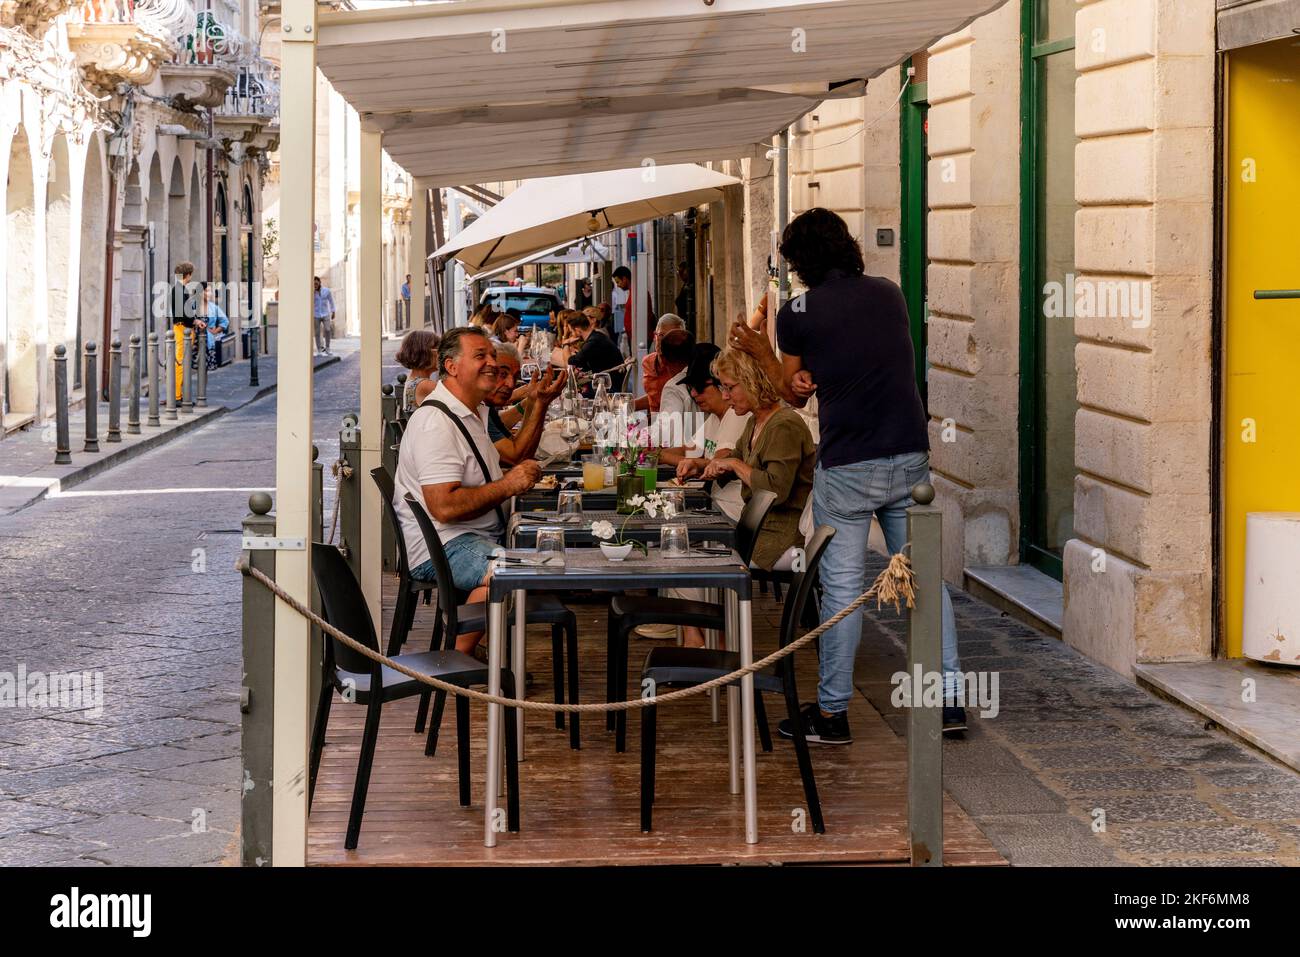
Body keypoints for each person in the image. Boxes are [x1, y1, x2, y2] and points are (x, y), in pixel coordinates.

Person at [728, 206, 965, 743]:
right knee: (926, 583)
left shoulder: (796, 312)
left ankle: (832, 715)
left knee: (841, 590)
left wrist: (762, 349)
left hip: (849, 462)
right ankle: (948, 703)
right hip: (908, 456)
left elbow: (792, 390)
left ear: (801, 262)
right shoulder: (889, 293)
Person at [392, 327, 541, 654]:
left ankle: (471, 647)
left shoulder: (473, 411)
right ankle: (454, 658)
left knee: (535, 559)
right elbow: (443, 507)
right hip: (445, 543)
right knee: (512, 571)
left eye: (491, 355)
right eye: (480, 356)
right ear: (451, 367)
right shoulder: (436, 422)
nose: (491, 363)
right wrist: (509, 484)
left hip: (469, 535)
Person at [671, 348, 812, 648]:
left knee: (683, 552)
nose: (725, 396)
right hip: (760, 530)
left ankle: (715, 642)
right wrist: (701, 465)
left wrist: (734, 465)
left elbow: (776, 490)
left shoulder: (784, 424)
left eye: (730, 387)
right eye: (722, 387)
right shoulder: (756, 422)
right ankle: (709, 637)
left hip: (781, 538)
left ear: (752, 380)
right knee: (680, 545)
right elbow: (735, 457)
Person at [674, 343, 750, 521]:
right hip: (715, 505)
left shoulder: (737, 414)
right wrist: (654, 453)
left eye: (699, 386)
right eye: (690, 387)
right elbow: (690, 450)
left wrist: (693, 463)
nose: (693, 394)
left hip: (729, 512)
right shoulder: (716, 417)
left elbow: (719, 462)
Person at [485, 343, 567, 466]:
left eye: (515, 376)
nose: (511, 384)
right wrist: (541, 404)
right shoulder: (475, 407)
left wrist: (532, 401)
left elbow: (515, 443)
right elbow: (516, 457)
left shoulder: (486, 408)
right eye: (502, 374)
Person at [646, 329, 695, 461]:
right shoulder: (704, 375)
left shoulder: (674, 387)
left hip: (681, 462)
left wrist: (636, 436)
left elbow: (666, 431)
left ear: (664, 360)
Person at [637, 314, 686, 413]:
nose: (661, 341)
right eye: (660, 335)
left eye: (669, 337)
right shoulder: (648, 362)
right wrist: (627, 405)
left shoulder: (682, 366)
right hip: (653, 422)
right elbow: (654, 397)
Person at [566, 311, 626, 391]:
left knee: (572, 391)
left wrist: (565, 344)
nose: (572, 334)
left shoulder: (594, 341)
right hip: (606, 380)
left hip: (608, 385)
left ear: (577, 330)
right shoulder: (596, 337)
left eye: (571, 331)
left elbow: (572, 362)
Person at [167, 262, 200, 402]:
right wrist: (195, 321)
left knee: (182, 362)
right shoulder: (180, 290)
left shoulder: (179, 289)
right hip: (182, 329)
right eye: (191, 274)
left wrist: (195, 320)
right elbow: (184, 313)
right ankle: (176, 396)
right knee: (180, 362)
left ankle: (179, 394)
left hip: (183, 328)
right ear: (188, 275)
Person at [396, 328, 439, 412]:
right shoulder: (425, 385)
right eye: (439, 350)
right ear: (426, 354)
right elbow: (459, 400)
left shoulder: (413, 381)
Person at [193, 282, 229, 372]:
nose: (210, 294)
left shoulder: (213, 307)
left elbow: (225, 321)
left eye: (210, 291)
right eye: (207, 291)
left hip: (208, 343)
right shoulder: (192, 306)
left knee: (205, 371)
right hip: (193, 343)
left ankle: (203, 386)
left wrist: (215, 331)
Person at [610, 266, 632, 353]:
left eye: (618, 282)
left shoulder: (635, 292)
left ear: (624, 279)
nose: (618, 285)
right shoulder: (631, 292)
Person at [313, 276, 336, 356]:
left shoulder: (326, 291)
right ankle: (319, 350)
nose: (315, 285)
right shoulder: (311, 292)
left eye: (316, 283)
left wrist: (333, 311)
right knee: (317, 332)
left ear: (319, 282)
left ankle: (327, 348)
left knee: (327, 329)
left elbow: (331, 301)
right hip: (316, 314)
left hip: (326, 313)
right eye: (314, 284)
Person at [674, 260, 693, 326]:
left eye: (681, 272)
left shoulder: (689, 285)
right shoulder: (686, 284)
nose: (680, 275)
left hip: (688, 320)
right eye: (679, 272)